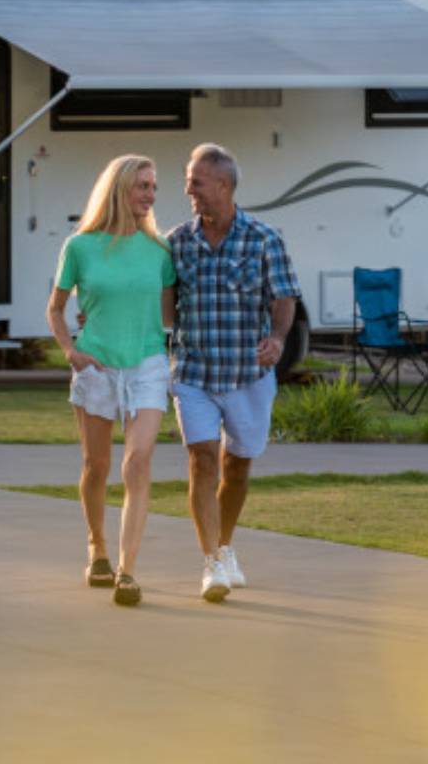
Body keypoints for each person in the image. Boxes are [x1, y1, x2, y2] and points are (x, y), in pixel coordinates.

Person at [167, 143, 299, 602]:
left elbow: (285, 295)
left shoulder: (264, 239)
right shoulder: (177, 241)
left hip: (247, 374)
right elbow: (164, 307)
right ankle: (211, 563)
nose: (188, 189)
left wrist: (278, 339)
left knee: (236, 466)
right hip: (194, 370)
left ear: (222, 186)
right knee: (202, 458)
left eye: (195, 182)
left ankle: (224, 547)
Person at [46, 154, 178, 607]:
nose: (151, 195)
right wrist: (70, 350)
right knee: (96, 466)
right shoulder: (79, 247)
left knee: (137, 462)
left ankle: (127, 570)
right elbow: (55, 308)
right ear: (120, 188)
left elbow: (168, 313)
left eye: (154, 187)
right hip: (96, 364)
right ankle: (96, 548)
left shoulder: (160, 252)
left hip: (146, 363)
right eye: (143, 186)